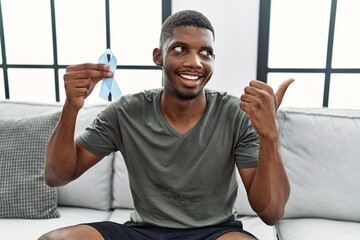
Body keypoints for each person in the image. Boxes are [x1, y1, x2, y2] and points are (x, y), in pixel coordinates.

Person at [39, 9, 292, 240]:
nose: (195, 62)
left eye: (206, 53)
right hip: (144, 232)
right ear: (159, 57)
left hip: (214, 233)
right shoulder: (125, 112)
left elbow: (271, 213)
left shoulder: (234, 114)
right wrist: (71, 106)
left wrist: (269, 135)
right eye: (180, 49)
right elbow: (56, 175)